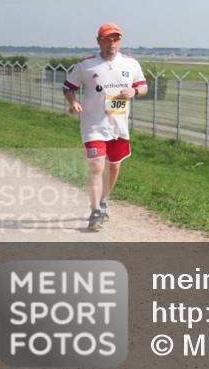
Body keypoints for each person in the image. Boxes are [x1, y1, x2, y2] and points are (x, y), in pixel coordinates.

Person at [63, 23, 147, 232]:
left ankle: (102, 201)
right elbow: (68, 87)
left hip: (118, 126)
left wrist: (134, 92)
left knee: (114, 167)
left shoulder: (131, 64)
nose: (112, 43)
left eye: (116, 39)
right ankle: (95, 211)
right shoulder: (86, 65)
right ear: (99, 41)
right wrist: (73, 102)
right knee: (97, 166)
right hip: (93, 125)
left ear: (120, 41)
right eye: (107, 39)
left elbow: (143, 86)